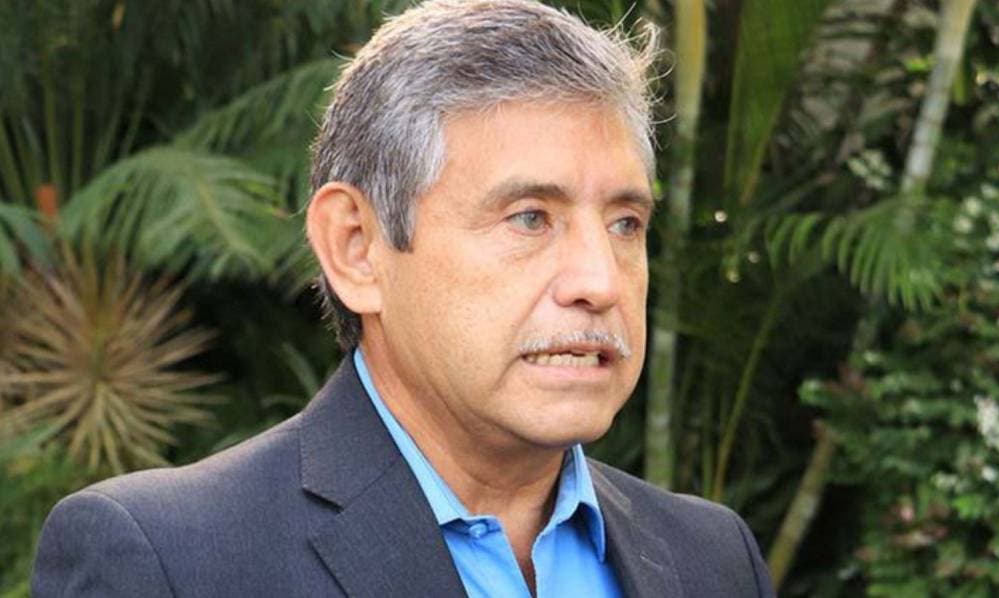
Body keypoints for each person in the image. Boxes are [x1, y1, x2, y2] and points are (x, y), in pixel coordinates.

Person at [32, 1, 774, 596]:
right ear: (357, 247)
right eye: (529, 218)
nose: (600, 282)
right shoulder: (170, 561)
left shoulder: (712, 558)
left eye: (625, 223)